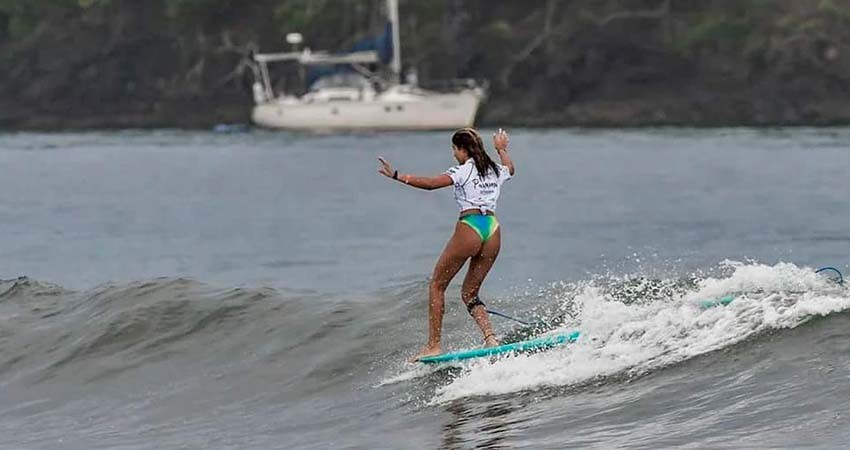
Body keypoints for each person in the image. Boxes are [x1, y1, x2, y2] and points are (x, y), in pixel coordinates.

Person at [378, 128, 515, 361]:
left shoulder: (463, 171)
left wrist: (397, 176)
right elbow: (510, 169)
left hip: (471, 227)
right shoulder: (494, 169)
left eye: (454, 149)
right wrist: (501, 149)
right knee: (470, 293)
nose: (453, 155)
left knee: (437, 286)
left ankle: (434, 345)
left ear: (462, 150)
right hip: (492, 230)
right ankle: (490, 337)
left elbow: (432, 184)